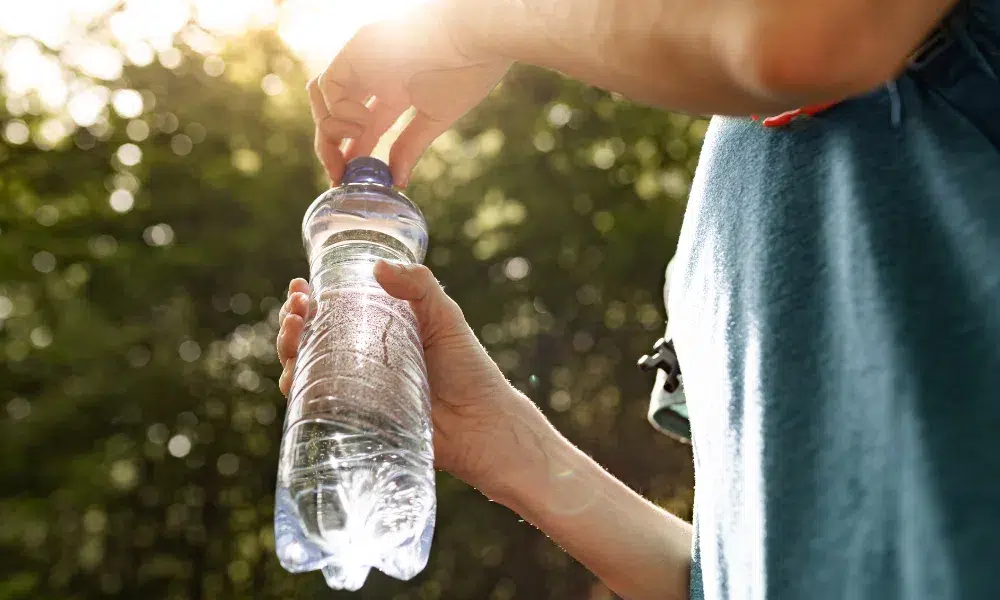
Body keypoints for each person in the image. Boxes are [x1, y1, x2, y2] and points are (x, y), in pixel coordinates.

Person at [276, 0, 1000, 598]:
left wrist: (469, 23)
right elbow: (736, 572)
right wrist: (504, 443)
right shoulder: (713, 224)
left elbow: (806, 37)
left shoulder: (808, 46)